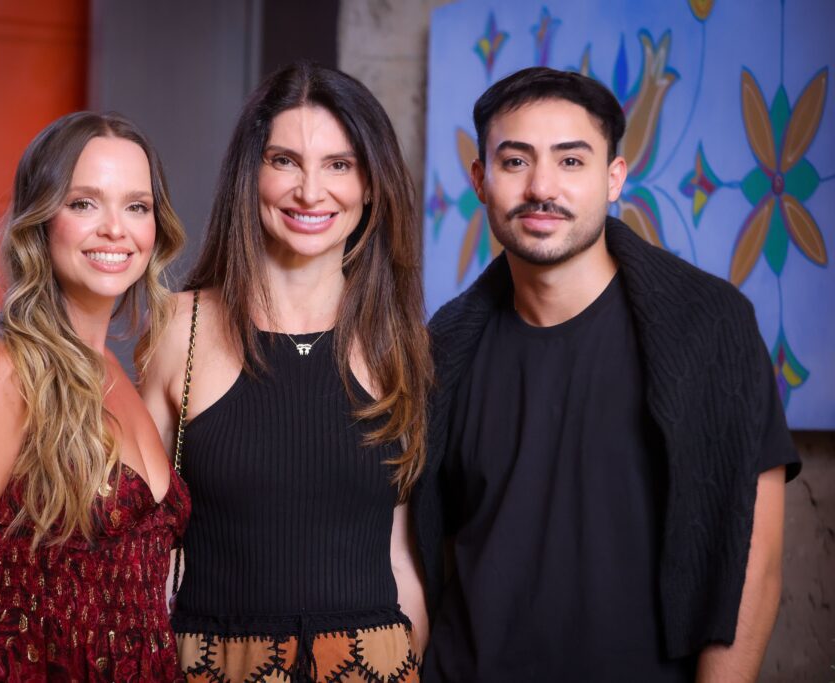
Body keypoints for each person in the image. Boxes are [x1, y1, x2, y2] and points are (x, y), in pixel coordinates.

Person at [416, 66, 801, 681]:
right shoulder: (442, 349)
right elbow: (419, 548)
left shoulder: (709, 329)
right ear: (480, 181)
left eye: (572, 162)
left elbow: (752, 561)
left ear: (614, 179)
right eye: (515, 161)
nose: (542, 186)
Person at [140, 61, 432, 682]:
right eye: (285, 161)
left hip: (369, 667)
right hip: (213, 665)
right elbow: (145, 552)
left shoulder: (399, 340)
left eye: (339, 164)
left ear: (371, 184)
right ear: (251, 175)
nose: (310, 191)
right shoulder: (178, 328)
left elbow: (399, 557)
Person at [0, 112, 189, 681]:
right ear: (41, 219)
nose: (115, 229)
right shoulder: (4, 372)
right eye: (84, 203)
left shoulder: (119, 375)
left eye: (136, 206)